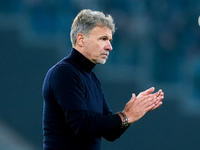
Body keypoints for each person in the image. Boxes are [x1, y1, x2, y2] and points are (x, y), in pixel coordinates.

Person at [42, 9, 164, 150]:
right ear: (81, 39)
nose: (110, 47)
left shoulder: (92, 78)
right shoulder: (64, 73)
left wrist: (132, 112)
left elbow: (110, 133)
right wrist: (127, 116)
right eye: (103, 39)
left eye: (110, 40)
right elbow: (82, 125)